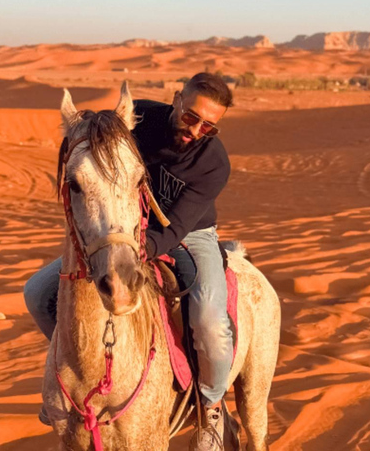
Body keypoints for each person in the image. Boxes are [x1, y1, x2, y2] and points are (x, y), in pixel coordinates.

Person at [24, 72, 234, 450]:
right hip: (124, 227)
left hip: (190, 234)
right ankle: (69, 376)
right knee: (38, 293)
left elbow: (178, 226)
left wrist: (138, 250)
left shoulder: (213, 162)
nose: (196, 130)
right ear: (176, 100)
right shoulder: (142, 120)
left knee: (209, 320)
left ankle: (212, 405)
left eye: (209, 126)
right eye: (191, 117)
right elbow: (99, 137)